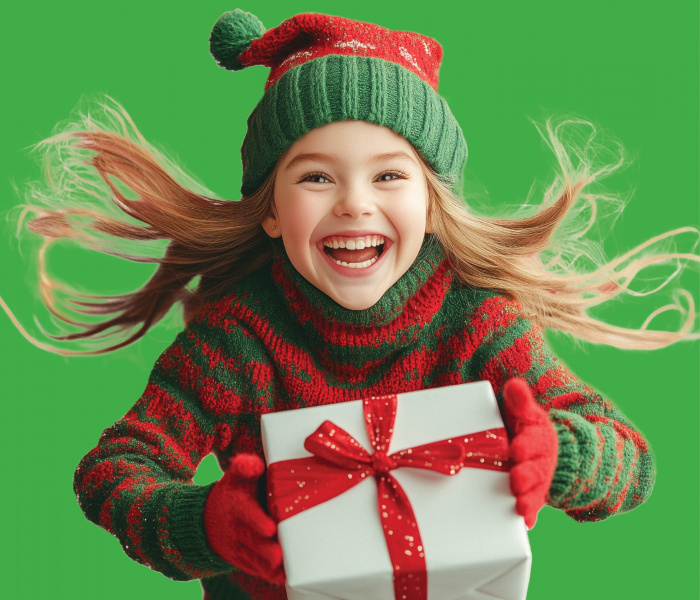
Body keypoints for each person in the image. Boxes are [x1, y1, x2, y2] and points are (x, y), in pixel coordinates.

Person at [6, 9, 698, 600]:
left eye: (389, 174)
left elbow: (631, 459)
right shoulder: (238, 340)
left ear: (432, 205)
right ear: (271, 210)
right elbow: (114, 471)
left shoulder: (478, 326)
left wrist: (558, 454)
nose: (354, 202)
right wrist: (204, 522)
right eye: (315, 176)